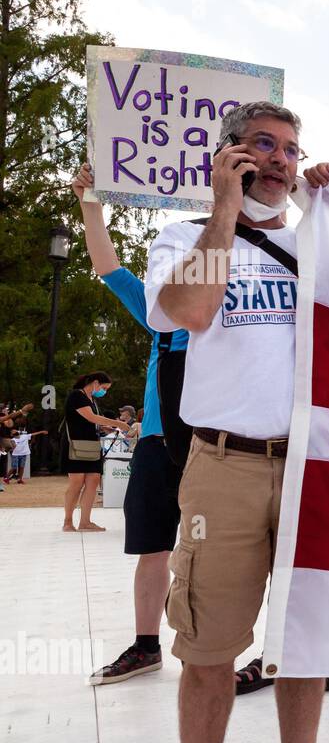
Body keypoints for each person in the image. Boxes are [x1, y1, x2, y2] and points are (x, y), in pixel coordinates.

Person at [144, 100, 329, 743]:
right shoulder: (180, 238)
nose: (283, 159)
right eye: (265, 145)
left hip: (309, 469)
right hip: (222, 466)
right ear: (230, 154)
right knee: (208, 647)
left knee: (303, 641)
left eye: (292, 149)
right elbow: (191, 311)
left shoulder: (317, 245)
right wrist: (223, 208)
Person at [71, 164, 190, 685]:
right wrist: (89, 201)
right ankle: (146, 646)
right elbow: (107, 265)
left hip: (219, 446)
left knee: (250, 549)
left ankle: (285, 649)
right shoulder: (158, 309)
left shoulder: (240, 315)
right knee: (151, 547)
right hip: (160, 444)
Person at [62, 372, 130, 532]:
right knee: (76, 482)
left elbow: (89, 421)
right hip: (76, 445)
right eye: (104, 387)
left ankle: (85, 521)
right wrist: (118, 423)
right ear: (95, 382)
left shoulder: (91, 399)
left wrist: (105, 427)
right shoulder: (76, 396)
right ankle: (68, 521)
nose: (104, 391)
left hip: (92, 444)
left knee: (93, 480)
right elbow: (91, 417)